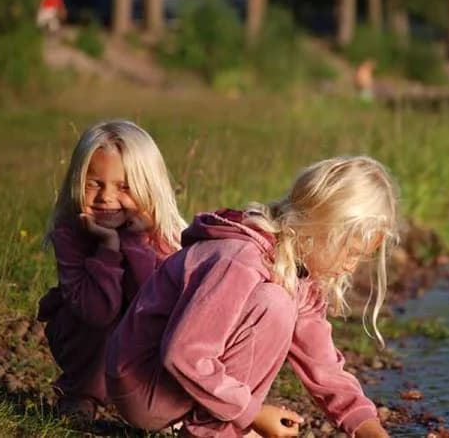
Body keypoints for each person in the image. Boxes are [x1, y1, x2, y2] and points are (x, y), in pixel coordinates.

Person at [106, 156, 399, 437]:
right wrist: (252, 413)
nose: (351, 265)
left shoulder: (297, 271)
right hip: (143, 385)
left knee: (278, 302)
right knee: (275, 304)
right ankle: (215, 432)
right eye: (351, 252)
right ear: (319, 230)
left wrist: (368, 428)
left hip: (174, 386)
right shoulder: (240, 258)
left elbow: (323, 366)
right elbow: (184, 354)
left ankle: (221, 425)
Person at [37, 120, 187, 422]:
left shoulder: (163, 237)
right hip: (86, 335)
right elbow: (96, 311)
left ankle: (164, 405)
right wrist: (108, 246)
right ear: (77, 182)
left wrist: (133, 242)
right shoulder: (71, 235)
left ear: (148, 188)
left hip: (145, 339)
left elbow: (149, 304)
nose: (106, 197)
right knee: (100, 324)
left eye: (124, 187)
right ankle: (81, 396)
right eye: (95, 183)